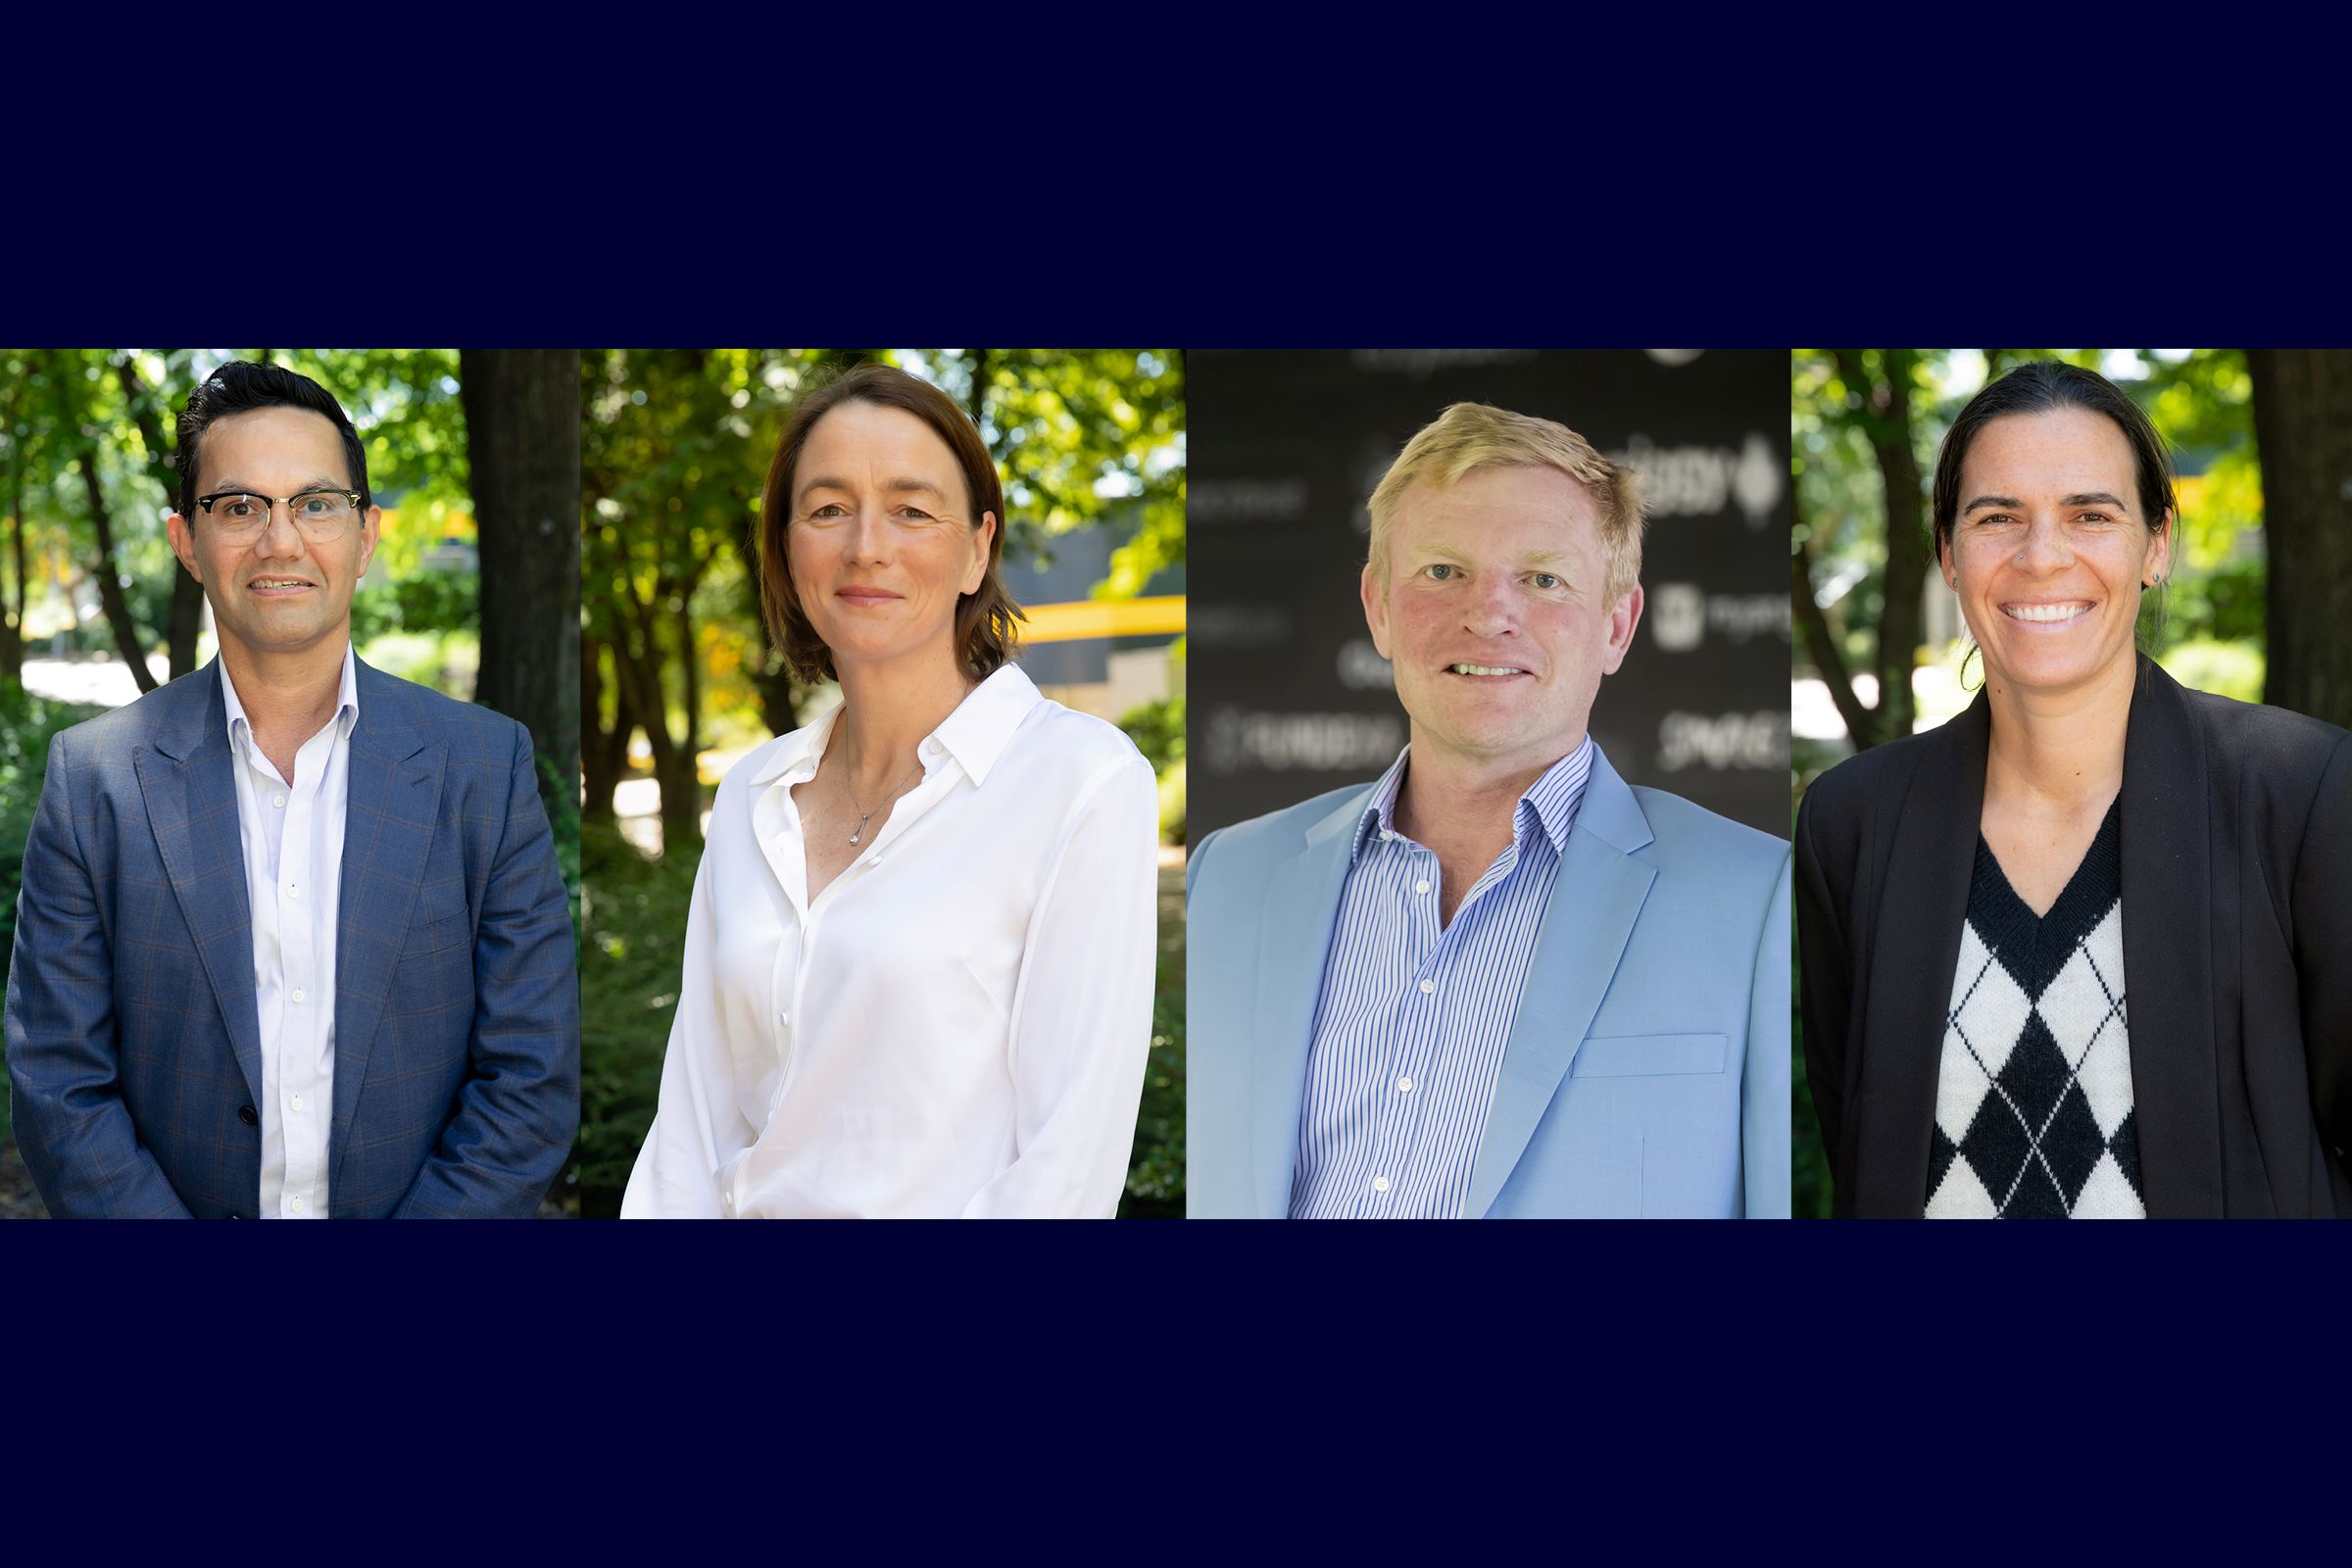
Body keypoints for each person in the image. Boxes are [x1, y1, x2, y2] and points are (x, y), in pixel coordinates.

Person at [1187, 402, 1791, 1219]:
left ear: (1617, 625)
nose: (1490, 613)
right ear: (1379, 610)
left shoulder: (1758, 896)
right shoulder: (1230, 875)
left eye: (1543, 579)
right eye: (1442, 572)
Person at [4, 361, 579, 1218]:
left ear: (366, 533)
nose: (280, 541)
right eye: (239, 507)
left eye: (315, 503)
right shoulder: (94, 780)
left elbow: (530, 1078)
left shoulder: (483, 770)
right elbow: (57, 1082)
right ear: (185, 543)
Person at [1796, 360, 2352, 1218]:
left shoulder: (2301, 795)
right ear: (1948, 551)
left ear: (2156, 544)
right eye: (1997, 517)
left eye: (2090, 514)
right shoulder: (1851, 824)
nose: (2041, 556)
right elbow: (1856, 1142)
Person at [620, 364, 1158, 1219]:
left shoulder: (1083, 782)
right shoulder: (752, 796)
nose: (866, 546)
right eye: (828, 509)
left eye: (912, 510)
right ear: (787, 545)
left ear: (978, 546)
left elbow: (1067, 1166)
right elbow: (690, 1124)